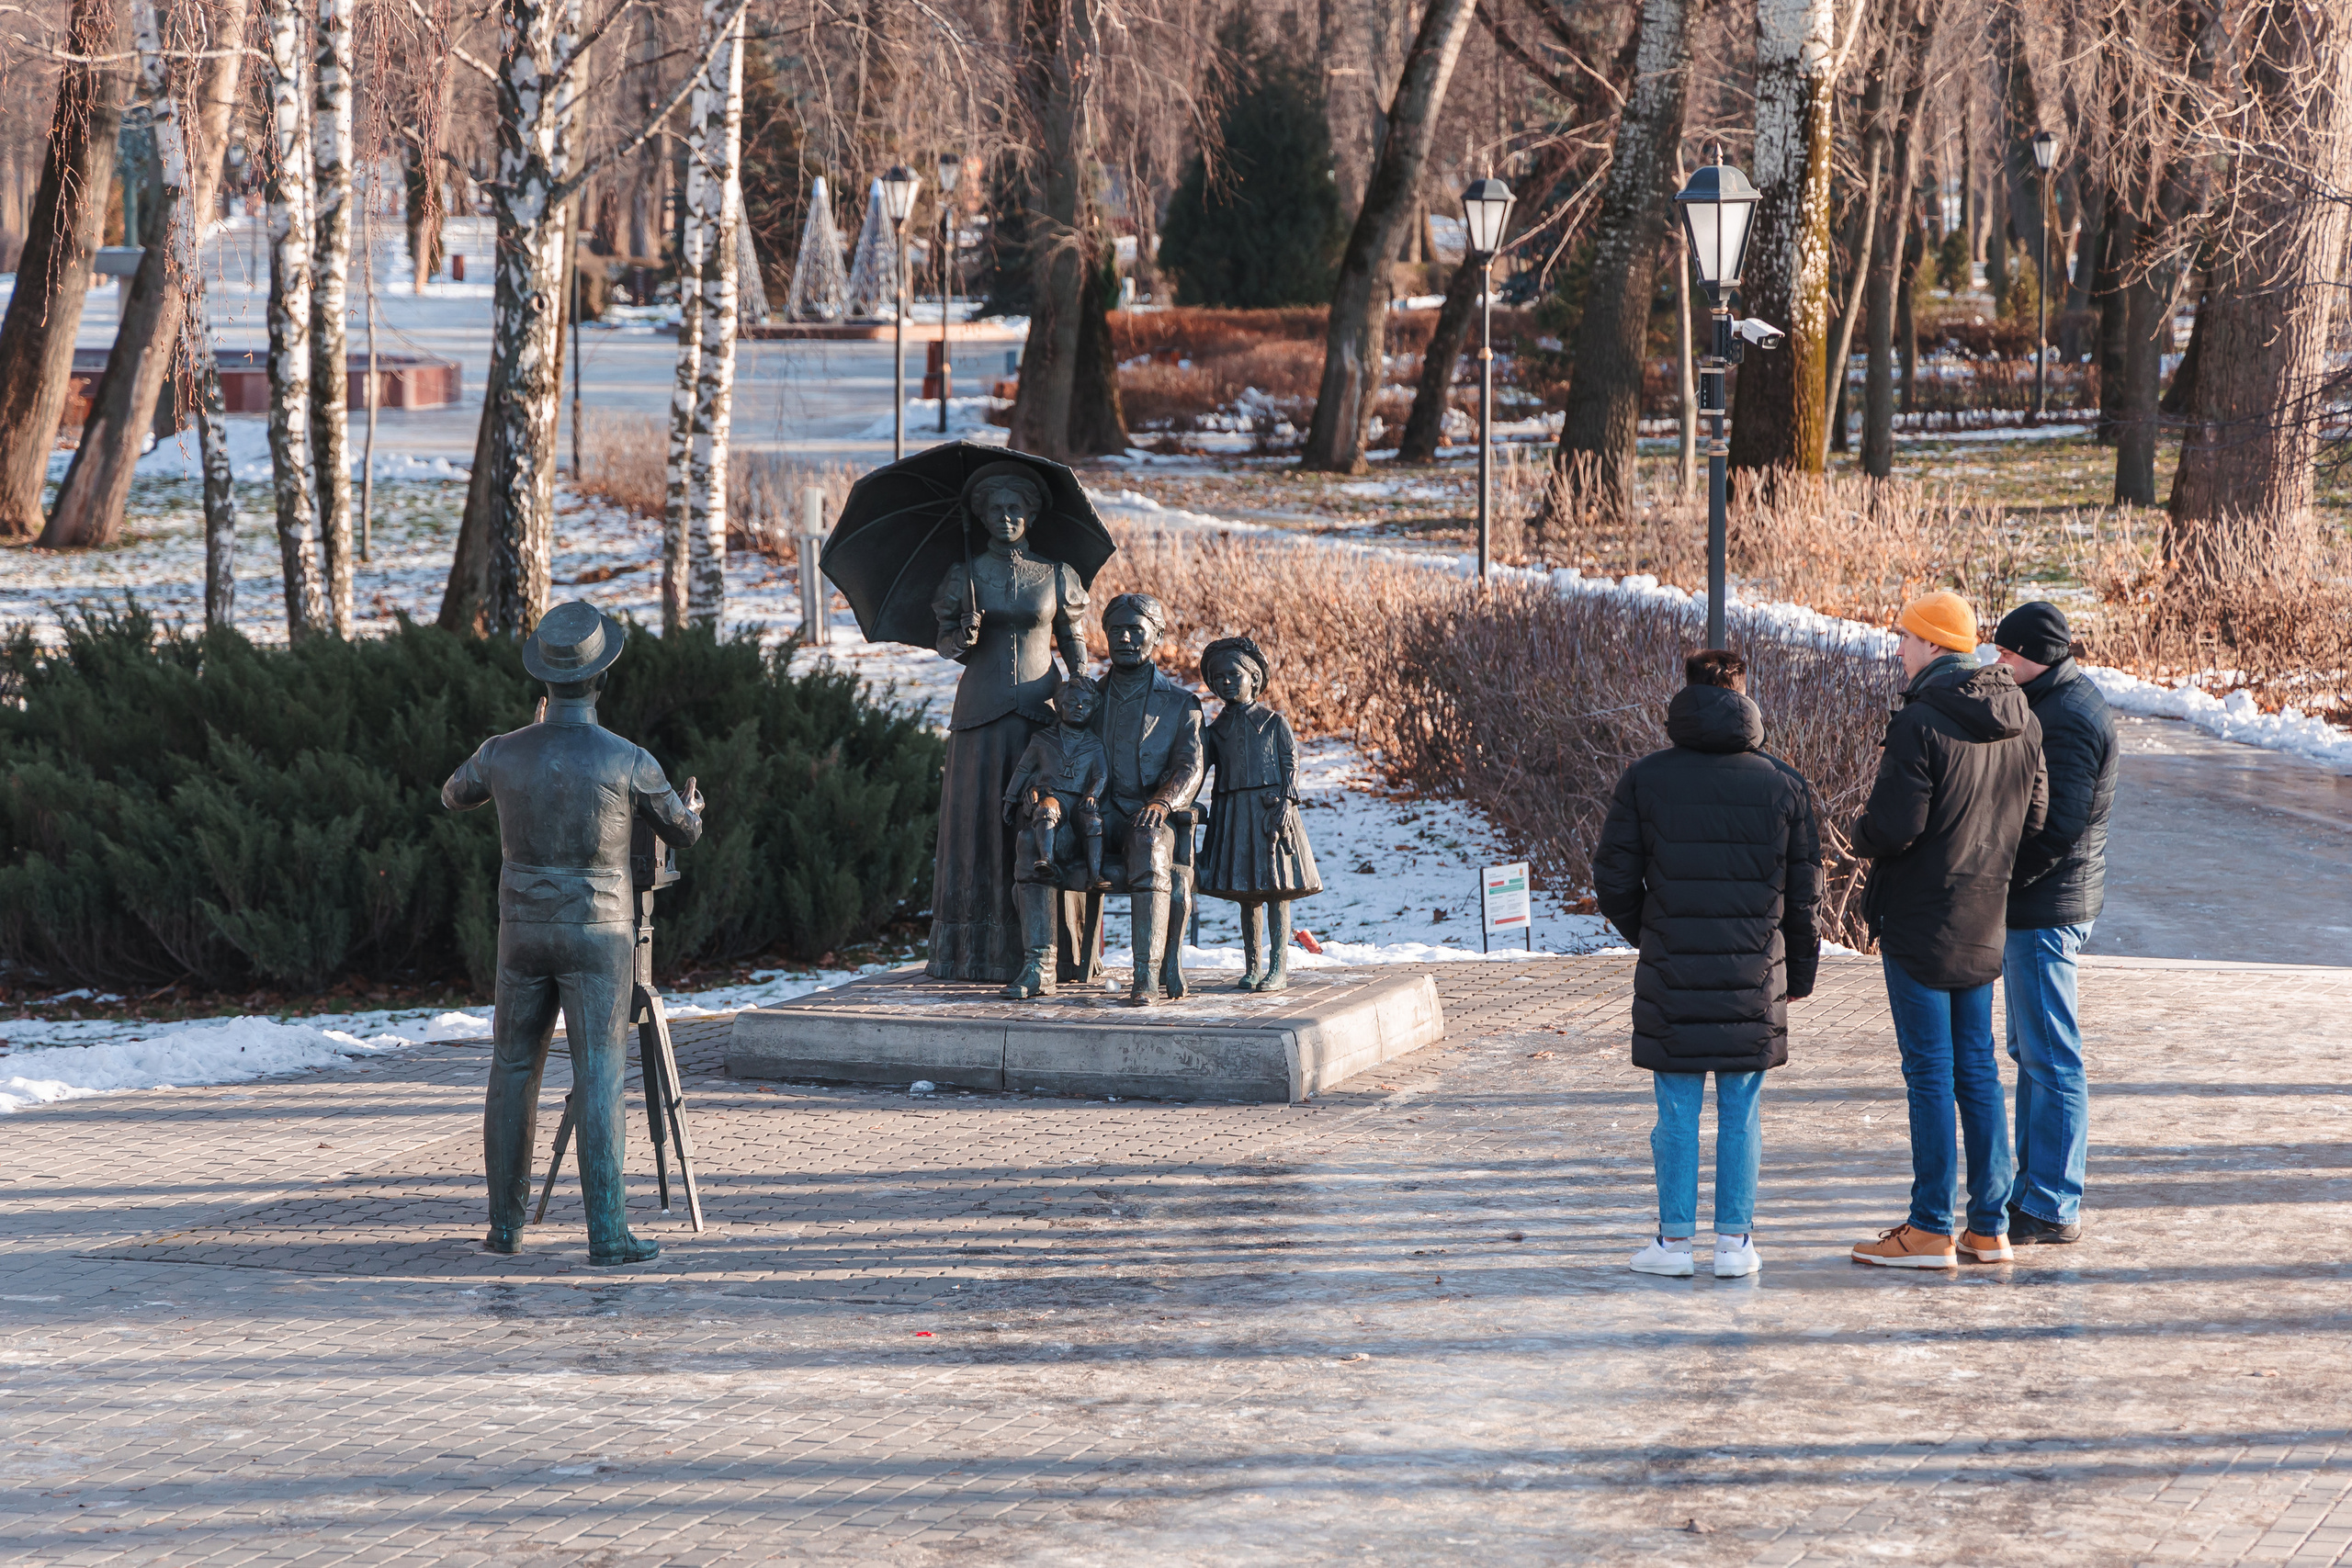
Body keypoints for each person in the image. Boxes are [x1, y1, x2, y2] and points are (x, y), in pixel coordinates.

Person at [441, 602, 704, 1266]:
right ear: (601, 680)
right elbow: (684, 829)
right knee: (599, 1074)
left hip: (522, 931)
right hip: (600, 934)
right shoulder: (629, 759)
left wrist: (520, 749)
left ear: (544, 683)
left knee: (510, 1068)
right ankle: (607, 1233)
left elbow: (453, 793)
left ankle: (505, 1228)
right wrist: (695, 807)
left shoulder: (502, 751)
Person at [1594, 649, 1822, 1280]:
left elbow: (1612, 877)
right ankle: (1734, 1244)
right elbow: (1805, 896)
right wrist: (1796, 974)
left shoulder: (1646, 778)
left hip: (1673, 973)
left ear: (1686, 697)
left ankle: (1671, 1244)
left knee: (1675, 1108)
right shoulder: (1784, 784)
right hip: (1753, 978)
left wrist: (1654, 930)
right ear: (1745, 698)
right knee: (1741, 1108)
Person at [1849, 592, 2048, 1270]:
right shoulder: (2021, 714)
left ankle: (1930, 1225)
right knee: (1979, 1072)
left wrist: (1860, 832)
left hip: (1919, 921)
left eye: (1904, 638)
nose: (1899, 649)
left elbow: (1895, 824)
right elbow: (2038, 812)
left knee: (1930, 1072)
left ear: (1933, 645)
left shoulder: (1921, 721)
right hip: (1985, 916)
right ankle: (1988, 1226)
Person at [926, 465, 1090, 983]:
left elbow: (1073, 640)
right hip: (980, 712)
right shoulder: (964, 575)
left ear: (1032, 514)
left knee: (1043, 823)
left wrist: (1082, 680)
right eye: (995, 509)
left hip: (1043, 715)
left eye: (1016, 508)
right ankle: (974, 951)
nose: (1006, 517)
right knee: (977, 822)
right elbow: (946, 644)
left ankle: (1048, 952)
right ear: (982, 515)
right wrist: (964, 639)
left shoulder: (1057, 574)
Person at [1993, 602, 2117, 1246]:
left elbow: (2058, 827)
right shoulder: (2054, 699)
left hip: (2046, 909)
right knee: (2033, 1053)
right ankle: (2031, 1188)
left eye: (2007, 654)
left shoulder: (2066, 717)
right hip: (2040, 905)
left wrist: (1999, 875)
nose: (1999, 663)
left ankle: (2052, 1201)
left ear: (2034, 654)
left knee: (2052, 1056)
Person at [1196, 635, 1323, 993]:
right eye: (1218, 678)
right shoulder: (1216, 729)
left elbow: (1290, 764)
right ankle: (1252, 966)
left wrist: (1287, 803)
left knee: (1276, 891)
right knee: (1246, 892)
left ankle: (1278, 968)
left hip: (1269, 813)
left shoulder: (1272, 722)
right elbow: (1199, 766)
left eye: (1233, 675)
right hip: (1233, 812)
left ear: (1253, 677)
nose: (1225, 683)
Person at [1002, 676, 1112, 946]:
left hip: (1081, 799)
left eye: (1086, 704)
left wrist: (1092, 795)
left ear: (1093, 710)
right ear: (1059, 705)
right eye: (1071, 702)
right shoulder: (1042, 739)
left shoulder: (1095, 744)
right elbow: (1024, 769)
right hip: (1055, 795)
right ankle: (1046, 860)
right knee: (1046, 811)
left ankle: (1095, 874)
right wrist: (1010, 798)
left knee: (1093, 823)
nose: (1078, 708)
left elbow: (1101, 775)